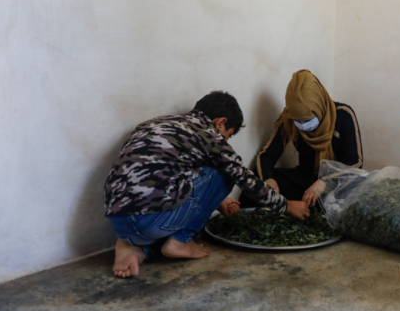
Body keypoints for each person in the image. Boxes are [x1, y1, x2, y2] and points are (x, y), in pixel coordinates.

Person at [104, 91, 310, 278]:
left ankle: (135, 249)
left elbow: (171, 176)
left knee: (210, 172)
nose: (225, 141)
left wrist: (217, 201)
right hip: (152, 221)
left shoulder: (157, 124)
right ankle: (181, 240)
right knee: (227, 170)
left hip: (120, 221)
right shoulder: (210, 135)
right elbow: (246, 180)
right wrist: (287, 205)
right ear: (220, 122)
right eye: (228, 135)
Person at [250, 70, 363, 207]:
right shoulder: (289, 119)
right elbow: (266, 156)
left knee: (351, 199)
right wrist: (268, 180)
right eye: (298, 121)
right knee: (255, 179)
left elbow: (355, 162)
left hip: (337, 183)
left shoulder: (343, 115)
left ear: (319, 107)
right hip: (305, 179)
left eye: (307, 119)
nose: (302, 126)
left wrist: (325, 182)